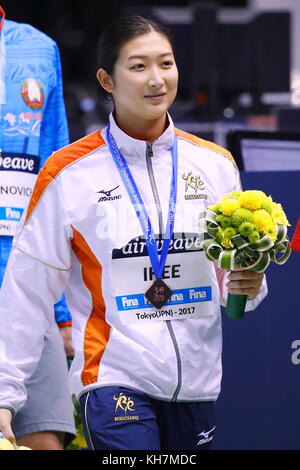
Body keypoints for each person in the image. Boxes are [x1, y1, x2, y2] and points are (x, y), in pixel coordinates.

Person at [0, 15, 267, 450]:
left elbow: (234, 285)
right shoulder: (69, 174)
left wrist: (249, 284)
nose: (157, 79)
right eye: (139, 66)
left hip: (195, 384)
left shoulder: (216, 166)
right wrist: (4, 394)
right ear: (106, 79)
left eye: (166, 63)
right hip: (112, 379)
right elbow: (26, 291)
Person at [0, 6, 75, 449]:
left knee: (44, 440)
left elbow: (55, 173)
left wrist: (62, 309)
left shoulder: (39, 49)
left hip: (29, 283)